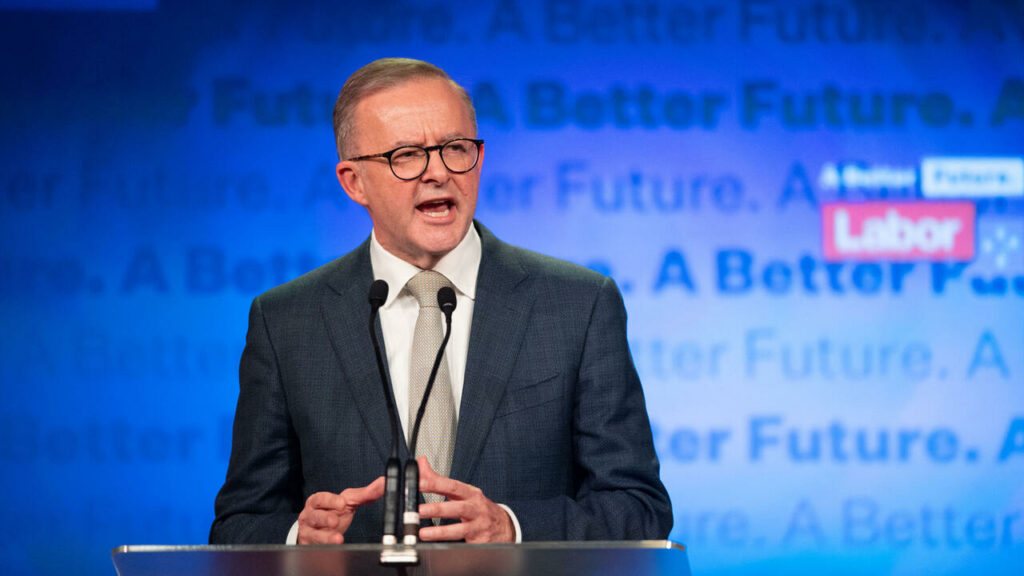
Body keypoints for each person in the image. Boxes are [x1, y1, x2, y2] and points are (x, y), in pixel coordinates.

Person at [209, 58, 672, 545]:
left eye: (455, 148)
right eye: (406, 155)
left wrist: (511, 527)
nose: (438, 173)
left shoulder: (577, 306)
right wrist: (296, 537)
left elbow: (638, 510)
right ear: (353, 181)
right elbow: (238, 525)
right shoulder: (287, 322)